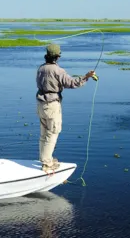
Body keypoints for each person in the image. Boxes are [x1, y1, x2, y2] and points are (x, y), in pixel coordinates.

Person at [36, 43, 96, 172]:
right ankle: (47, 164)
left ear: (47, 56)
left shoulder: (41, 68)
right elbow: (72, 83)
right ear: (57, 57)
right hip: (52, 105)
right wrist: (86, 77)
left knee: (44, 133)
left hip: (40, 104)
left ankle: (45, 159)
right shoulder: (58, 70)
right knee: (52, 133)